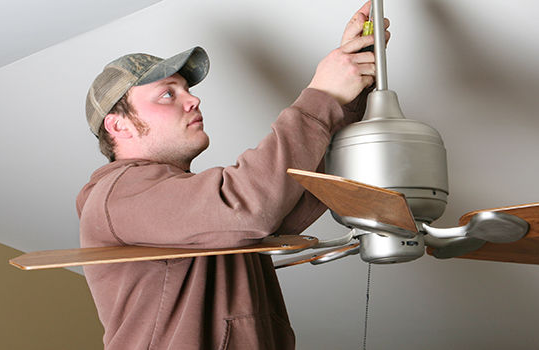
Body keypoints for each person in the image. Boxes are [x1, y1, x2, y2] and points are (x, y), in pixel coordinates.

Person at [76, 2, 388, 349]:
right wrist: (322, 95)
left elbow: (292, 193)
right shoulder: (116, 194)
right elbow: (248, 206)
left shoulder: (192, 208)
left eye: (188, 90)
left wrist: (348, 94)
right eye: (168, 93)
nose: (193, 100)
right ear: (118, 125)